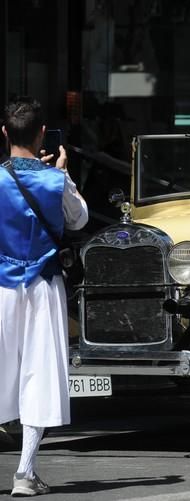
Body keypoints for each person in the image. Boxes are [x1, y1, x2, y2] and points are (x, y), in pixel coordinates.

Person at [0, 97, 89, 496]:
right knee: (39, 372)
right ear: (41, 135)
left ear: (4, 134)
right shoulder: (55, 181)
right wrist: (62, 174)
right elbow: (80, 218)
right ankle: (25, 472)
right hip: (42, 284)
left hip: (2, 283)